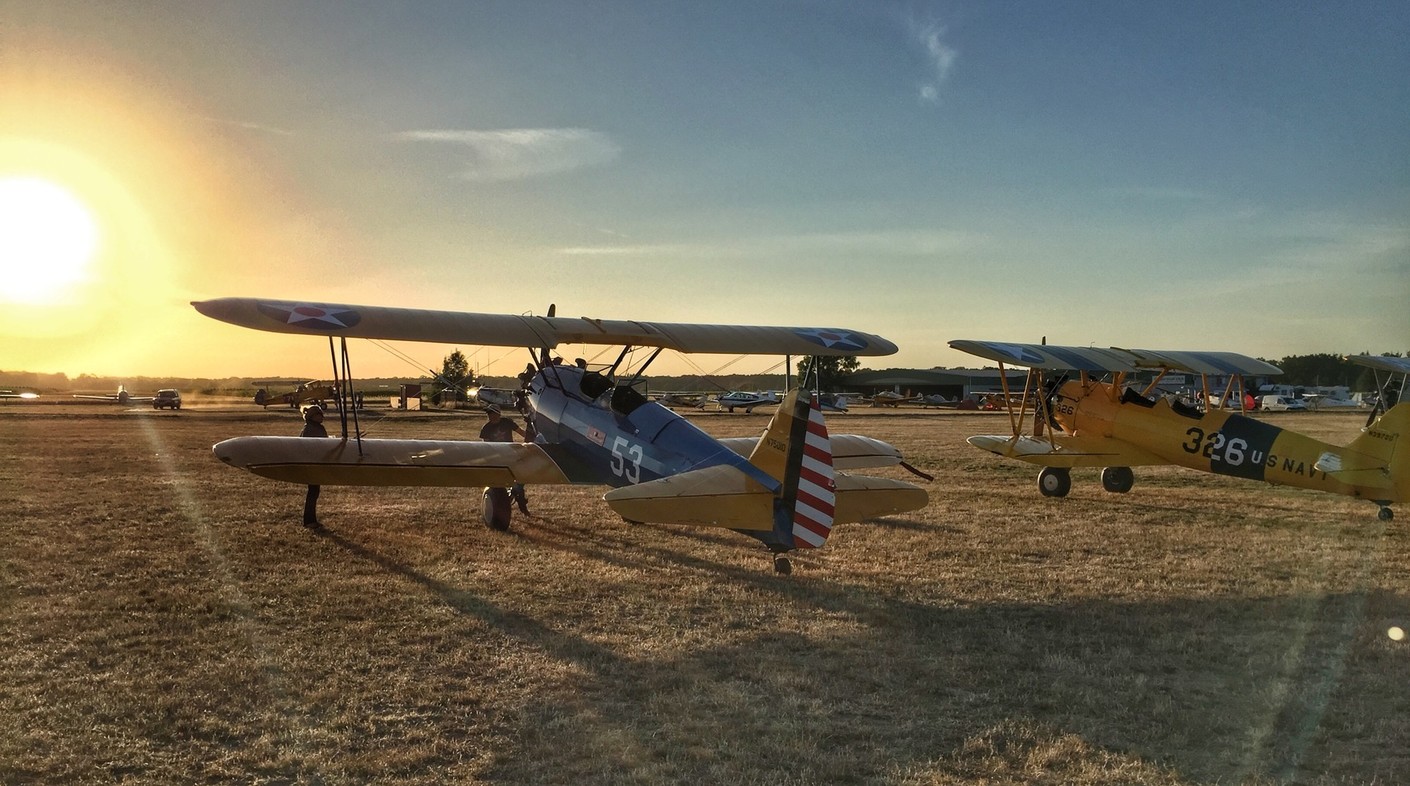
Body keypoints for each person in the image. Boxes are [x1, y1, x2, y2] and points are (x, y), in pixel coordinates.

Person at [479, 404, 529, 514]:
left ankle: (519, 499)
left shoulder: (507, 422)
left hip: (510, 454)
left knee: (521, 476)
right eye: (488, 413)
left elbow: (521, 432)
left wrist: (530, 441)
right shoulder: (486, 428)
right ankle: (505, 501)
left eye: (491, 413)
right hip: (497, 457)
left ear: (498, 414)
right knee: (500, 482)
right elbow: (486, 446)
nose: (490, 416)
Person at [300, 404, 329, 528]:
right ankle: (309, 520)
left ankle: (310, 519)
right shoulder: (313, 429)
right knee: (313, 491)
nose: (322, 417)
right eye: (319, 415)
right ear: (313, 416)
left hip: (314, 463)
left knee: (314, 491)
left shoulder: (312, 427)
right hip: (312, 464)